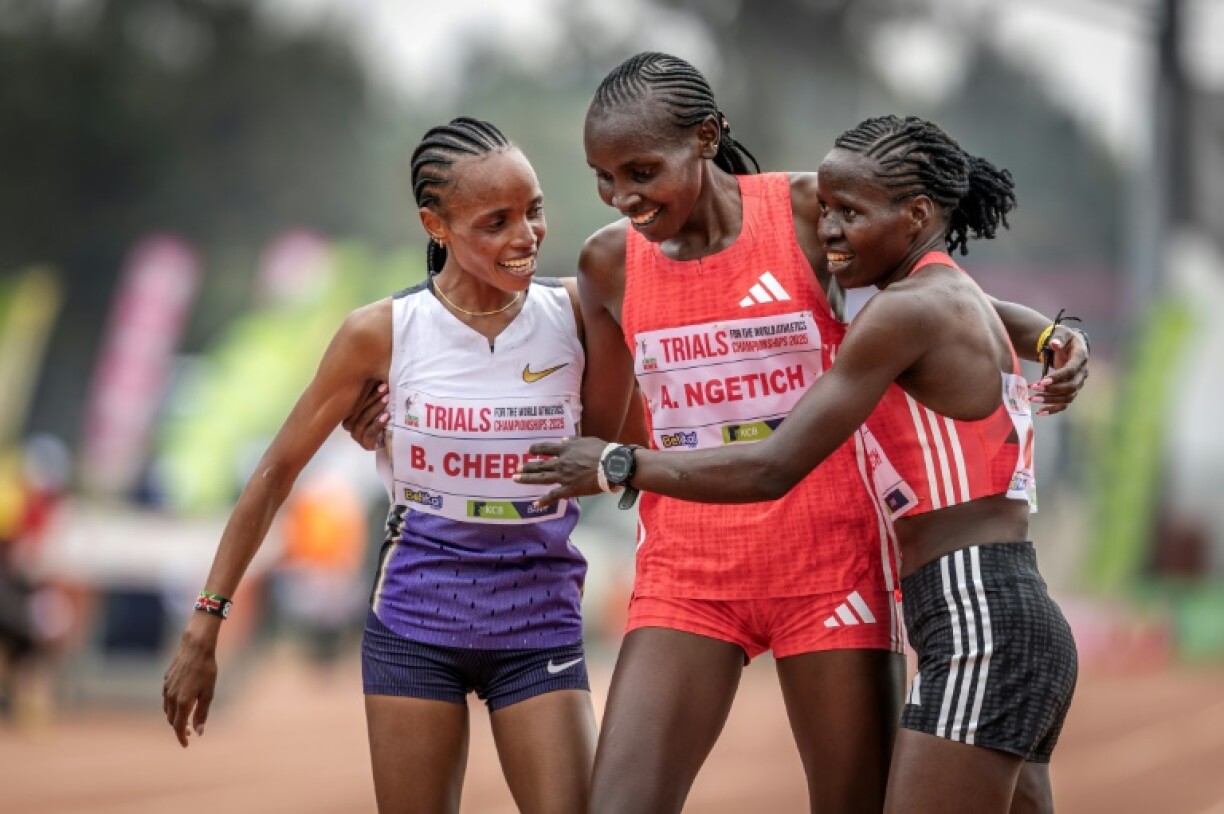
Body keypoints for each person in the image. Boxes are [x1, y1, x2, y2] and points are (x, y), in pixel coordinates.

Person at [347, 55, 1088, 814]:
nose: (623, 197)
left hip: (828, 560)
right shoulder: (608, 262)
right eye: (603, 178)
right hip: (690, 572)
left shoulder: (811, 214)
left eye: (641, 170)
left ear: (705, 138)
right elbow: (579, 409)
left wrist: (1048, 338)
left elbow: (934, 292)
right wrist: (397, 419)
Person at [519, 114, 1079, 813]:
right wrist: (1057, 333)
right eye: (830, 212)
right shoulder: (929, 297)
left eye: (848, 213)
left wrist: (622, 465)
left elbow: (774, 467)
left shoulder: (901, 306)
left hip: (965, 610)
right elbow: (981, 311)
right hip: (979, 609)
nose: (832, 228)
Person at [162, 117, 597, 814]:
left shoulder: (575, 314)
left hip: (538, 619)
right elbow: (275, 473)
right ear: (437, 225)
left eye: (534, 209)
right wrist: (205, 622)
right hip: (415, 622)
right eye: (496, 221)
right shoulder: (382, 333)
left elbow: (627, 446)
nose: (526, 236)